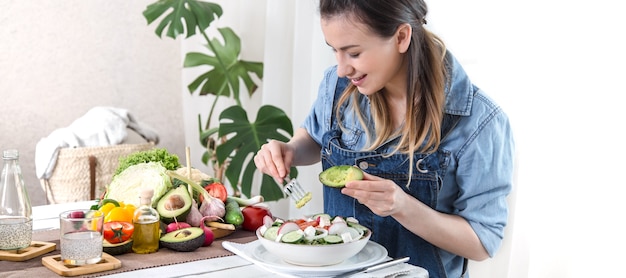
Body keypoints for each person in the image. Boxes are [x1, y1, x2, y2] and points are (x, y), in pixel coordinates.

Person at [253, 0, 514, 277]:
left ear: (401, 37)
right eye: (335, 51)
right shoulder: (338, 85)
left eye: (353, 53)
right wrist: (290, 150)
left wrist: (402, 207)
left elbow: (482, 242)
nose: (342, 68)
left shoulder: (478, 120)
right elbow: (315, 139)